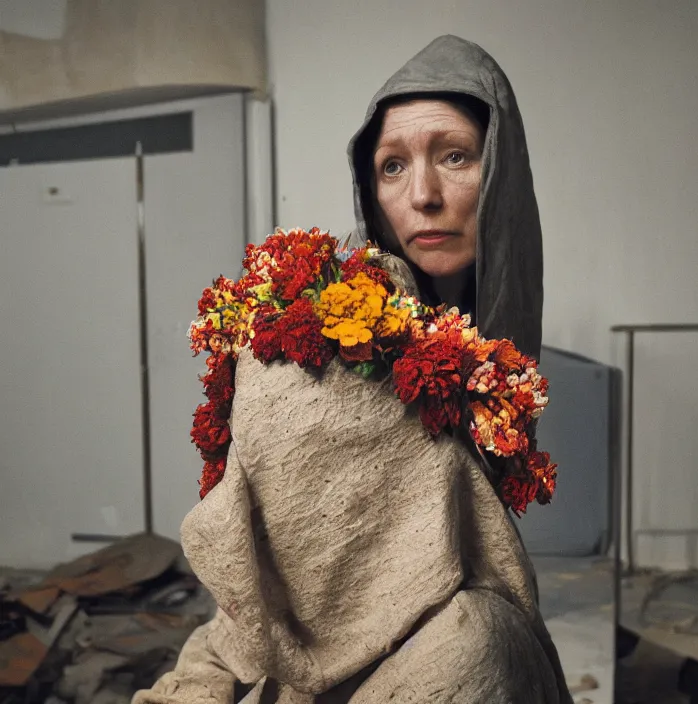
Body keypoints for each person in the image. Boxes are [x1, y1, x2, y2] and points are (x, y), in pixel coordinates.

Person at [133, 35, 573, 703]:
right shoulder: (333, 334)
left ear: (503, 172)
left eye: (454, 156)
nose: (422, 194)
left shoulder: (502, 320)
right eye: (391, 166)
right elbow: (296, 557)